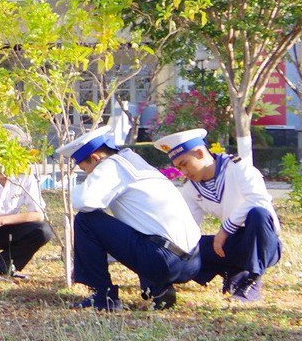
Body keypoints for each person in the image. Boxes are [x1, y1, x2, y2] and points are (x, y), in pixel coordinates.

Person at [60, 128, 201, 312]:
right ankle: (159, 289)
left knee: (86, 220)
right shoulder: (134, 161)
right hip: (192, 261)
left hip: (164, 259)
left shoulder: (111, 165)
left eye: (86, 169)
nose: (88, 174)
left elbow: (83, 201)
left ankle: (102, 296)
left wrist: (77, 189)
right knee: (141, 226)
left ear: (95, 158)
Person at [152, 128, 282, 303]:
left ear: (199, 153)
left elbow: (259, 200)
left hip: (264, 243)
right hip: (234, 244)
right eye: (178, 168)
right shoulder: (191, 188)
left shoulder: (238, 167)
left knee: (258, 214)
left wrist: (225, 230)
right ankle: (234, 271)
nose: (183, 172)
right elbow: (188, 226)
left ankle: (252, 281)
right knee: (191, 246)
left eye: (184, 164)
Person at [0, 160, 52, 278]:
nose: (2, 164)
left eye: (7, 159)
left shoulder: (25, 174)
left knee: (43, 231)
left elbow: (38, 215)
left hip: (6, 226)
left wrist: (1, 221)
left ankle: (4, 266)